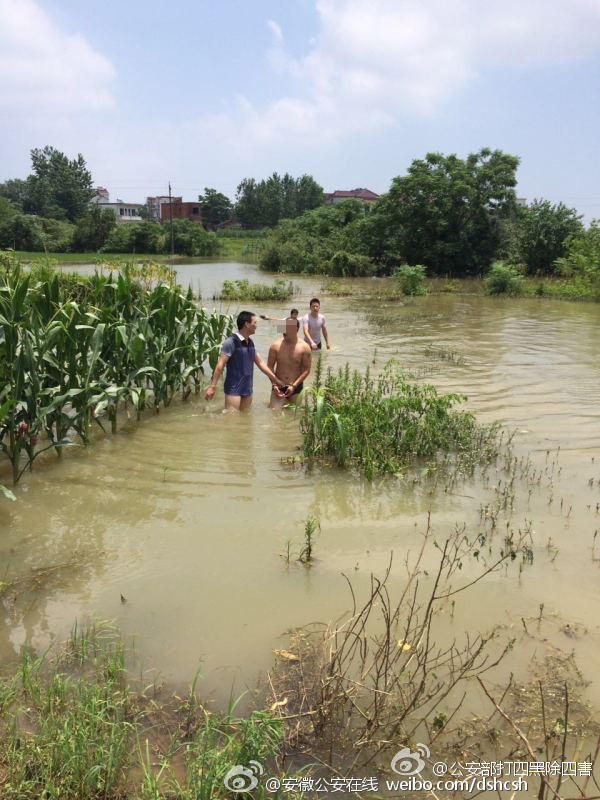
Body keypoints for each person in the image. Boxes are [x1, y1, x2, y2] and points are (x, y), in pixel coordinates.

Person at [204, 310, 285, 411]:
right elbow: (220, 365)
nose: (256, 326)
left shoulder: (250, 342)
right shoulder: (231, 342)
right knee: (232, 419)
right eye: (255, 323)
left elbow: (260, 363)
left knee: (244, 418)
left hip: (247, 389)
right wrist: (212, 387)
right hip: (233, 389)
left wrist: (275, 380)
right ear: (246, 324)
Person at [267, 317, 312, 410]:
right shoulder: (275, 345)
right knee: (274, 413)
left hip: (296, 387)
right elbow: (269, 367)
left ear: (296, 329)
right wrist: (274, 384)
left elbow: (307, 370)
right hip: (278, 387)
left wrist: (294, 385)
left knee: (295, 416)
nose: (284, 330)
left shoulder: (305, 347)